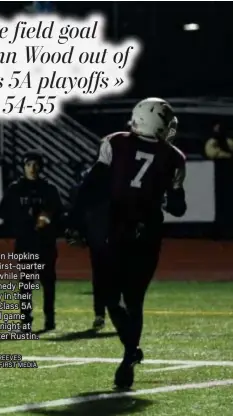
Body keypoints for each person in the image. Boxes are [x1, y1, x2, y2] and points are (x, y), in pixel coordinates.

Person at [66, 98, 187, 390]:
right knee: (134, 299)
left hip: (115, 228)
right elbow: (179, 208)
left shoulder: (114, 142)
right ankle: (129, 354)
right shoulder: (175, 157)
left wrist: (74, 222)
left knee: (111, 296)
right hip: (148, 232)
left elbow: (90, 186)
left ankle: (130, 351)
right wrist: (168, 195)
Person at [0, 150, 63, 333]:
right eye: (28, 165)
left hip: (46, 243)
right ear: (23, 167)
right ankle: (25, 320)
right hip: (26, 242)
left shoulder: (49, 189)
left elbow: (60, 214)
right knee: (26, 283)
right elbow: (1, 212)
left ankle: (49, 319)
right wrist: (22, 220)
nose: (32, 168)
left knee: (48, 283)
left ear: (40, 167)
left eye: (35, 165)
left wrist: (48, 218)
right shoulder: (15, 189)